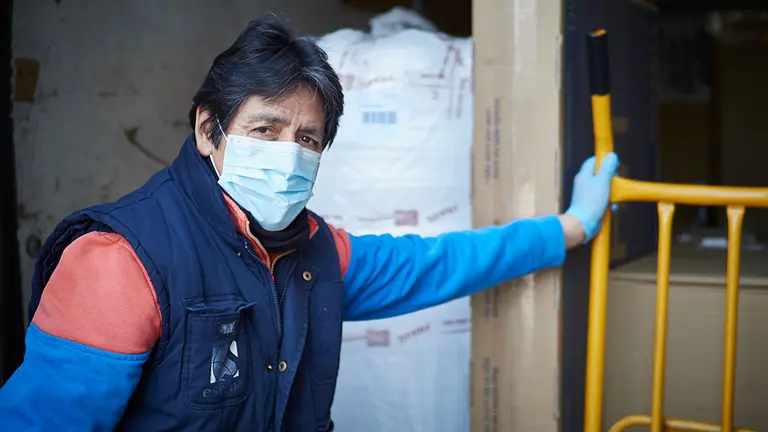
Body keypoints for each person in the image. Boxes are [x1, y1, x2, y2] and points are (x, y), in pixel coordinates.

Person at [0, 14, 619, 432]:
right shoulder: (118, 260)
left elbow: (441, 262)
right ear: (209, 131)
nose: (289, 153)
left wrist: (570, 226)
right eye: (265, 129)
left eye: (309, 139)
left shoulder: (318, 254)